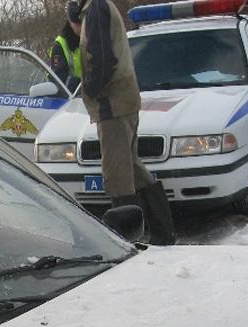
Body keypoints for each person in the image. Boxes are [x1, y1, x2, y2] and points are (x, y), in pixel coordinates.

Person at [75, 0, 176, 245]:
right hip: (121, 100)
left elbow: (102, 59)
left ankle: (128, 242)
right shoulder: (98, 8)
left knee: (117, 175)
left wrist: (89, 88)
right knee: (131, 167)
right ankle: (163, 233)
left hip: (112, 103)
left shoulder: (97, 8)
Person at [50, 1, 84, 91]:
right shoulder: (60, 46)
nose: (81, 27)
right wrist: (85, 83)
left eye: (83, 22)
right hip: (72, 98)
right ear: (70, 22)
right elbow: (59, 83)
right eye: (77, 23)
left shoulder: (92, 37)